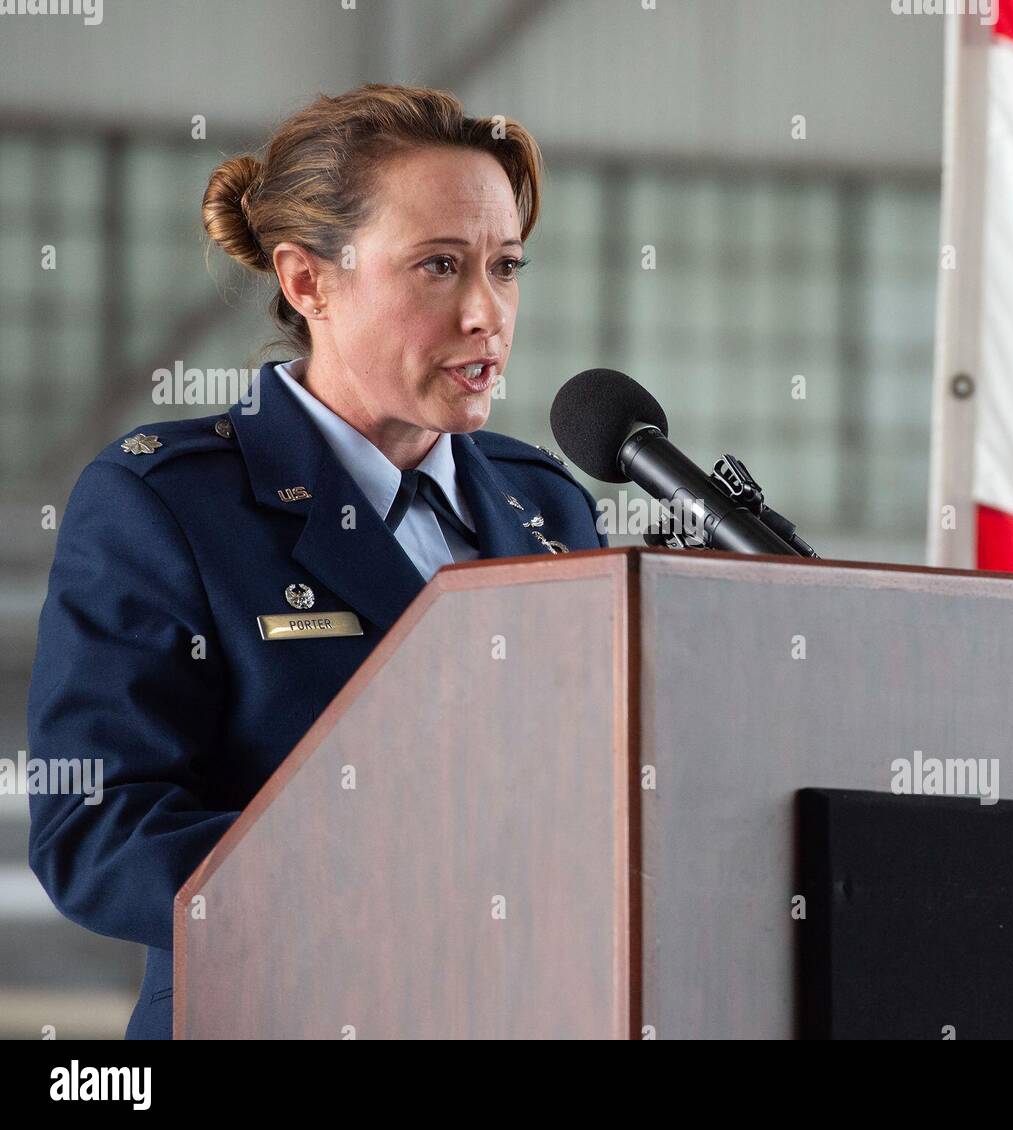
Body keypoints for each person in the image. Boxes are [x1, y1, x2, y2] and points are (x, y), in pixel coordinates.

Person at [25, 83, 607, 1040]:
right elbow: (96, 829)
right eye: (437, 266)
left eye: (506, 267)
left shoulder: (544, 501)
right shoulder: (169, 504)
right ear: (307, 282)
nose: (485, 315)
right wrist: (399, 887)